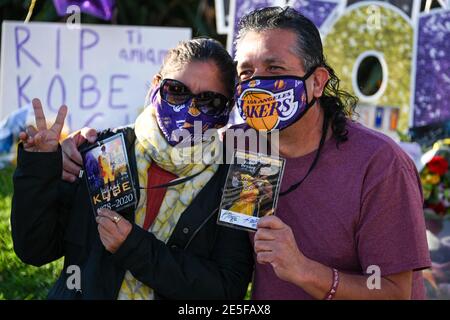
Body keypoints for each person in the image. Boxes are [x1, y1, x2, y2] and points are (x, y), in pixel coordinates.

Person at [61, 7, 432, 300]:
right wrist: (82, 146)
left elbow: (395, 292)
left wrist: (305, 271)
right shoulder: (241, 145)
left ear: (318, 82)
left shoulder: (379, 163)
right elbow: (157, 144)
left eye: (275, 69)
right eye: (247, 73)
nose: (260, 86)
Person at [11, 38, 253, 300]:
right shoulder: (99, 150)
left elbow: (228, 290)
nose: (189, 109)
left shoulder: (241, 180)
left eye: (209, 101)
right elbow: (34, 250)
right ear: (155, 85)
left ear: (227, 108)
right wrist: (39, 167)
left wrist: (133, 247)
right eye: (176, 90)